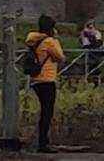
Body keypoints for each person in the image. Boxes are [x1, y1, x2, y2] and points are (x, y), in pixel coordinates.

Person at [25, 15, 65, 154]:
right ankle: (43, 143)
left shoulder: (34, 40)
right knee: (47, 112)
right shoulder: (49, 41)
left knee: (44, 110)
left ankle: (42, 141)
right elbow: (60, 57)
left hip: (36, 79)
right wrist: (55, 40)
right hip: (47, 79)